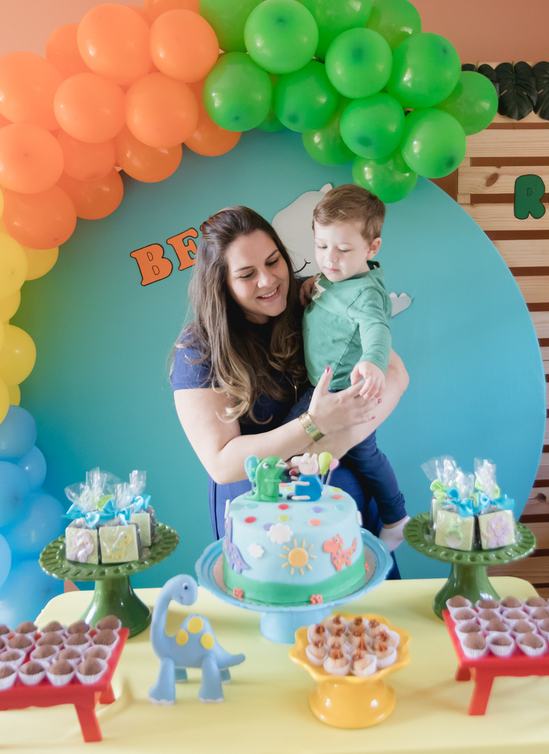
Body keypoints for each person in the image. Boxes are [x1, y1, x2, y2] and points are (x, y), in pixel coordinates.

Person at [169, 205, 409, 576]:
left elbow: (394, 373)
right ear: (222, 284)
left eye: (273, 261)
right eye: (247, 274)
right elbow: (222, 463)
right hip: (264, 532)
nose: (268, 281)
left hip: (347, 516)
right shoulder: (200, 352)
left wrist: (329, 448)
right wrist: (314, 425)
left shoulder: (314, 297)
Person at [285, 185, 408, 552]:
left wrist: (372, 361)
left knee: (362, 455)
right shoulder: (335, 277)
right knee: (303, 446)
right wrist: (312, 285)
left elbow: (376, 327)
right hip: (320, 386)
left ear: (372, 249)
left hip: (346, 393)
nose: (329, 259)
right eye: (321, 246)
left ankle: (395, 517)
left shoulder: (365, 293)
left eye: (342, 250)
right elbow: (329, 290)